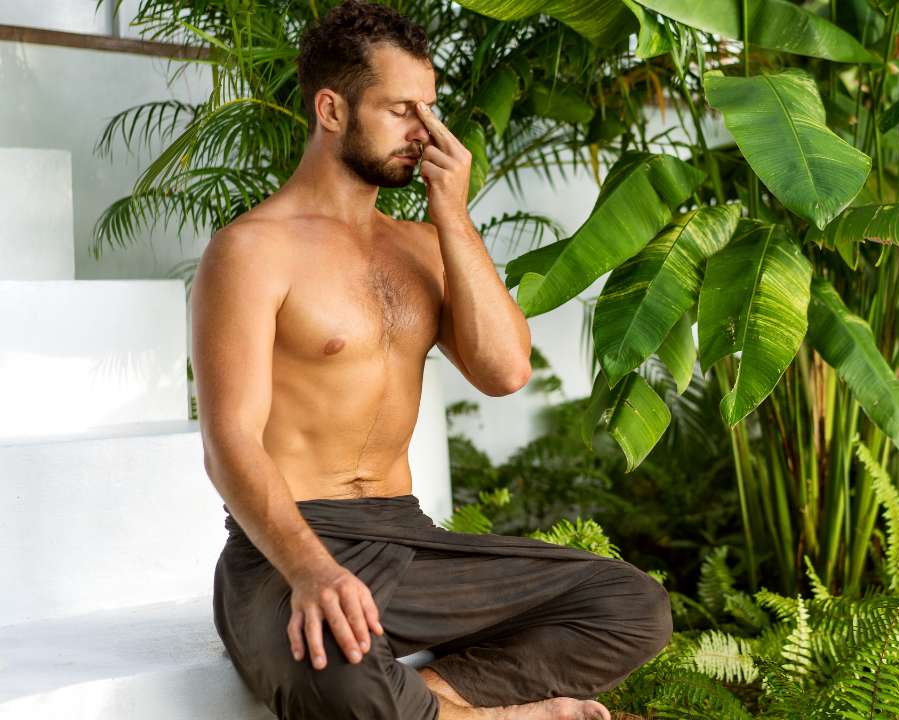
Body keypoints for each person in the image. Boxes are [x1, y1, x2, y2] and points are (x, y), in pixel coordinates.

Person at [189, 2, 672, 718]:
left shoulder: (421, 245)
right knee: (341, 679)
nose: (428, 132)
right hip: (286, 549)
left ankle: (441, 707)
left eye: (432, 108)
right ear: (332, 109)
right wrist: (313, 572)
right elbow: (229, 442)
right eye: (402, 110)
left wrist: (453, 213)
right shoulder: (250, 252)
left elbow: (505, 371)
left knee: (632, 605)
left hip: (407, 539)